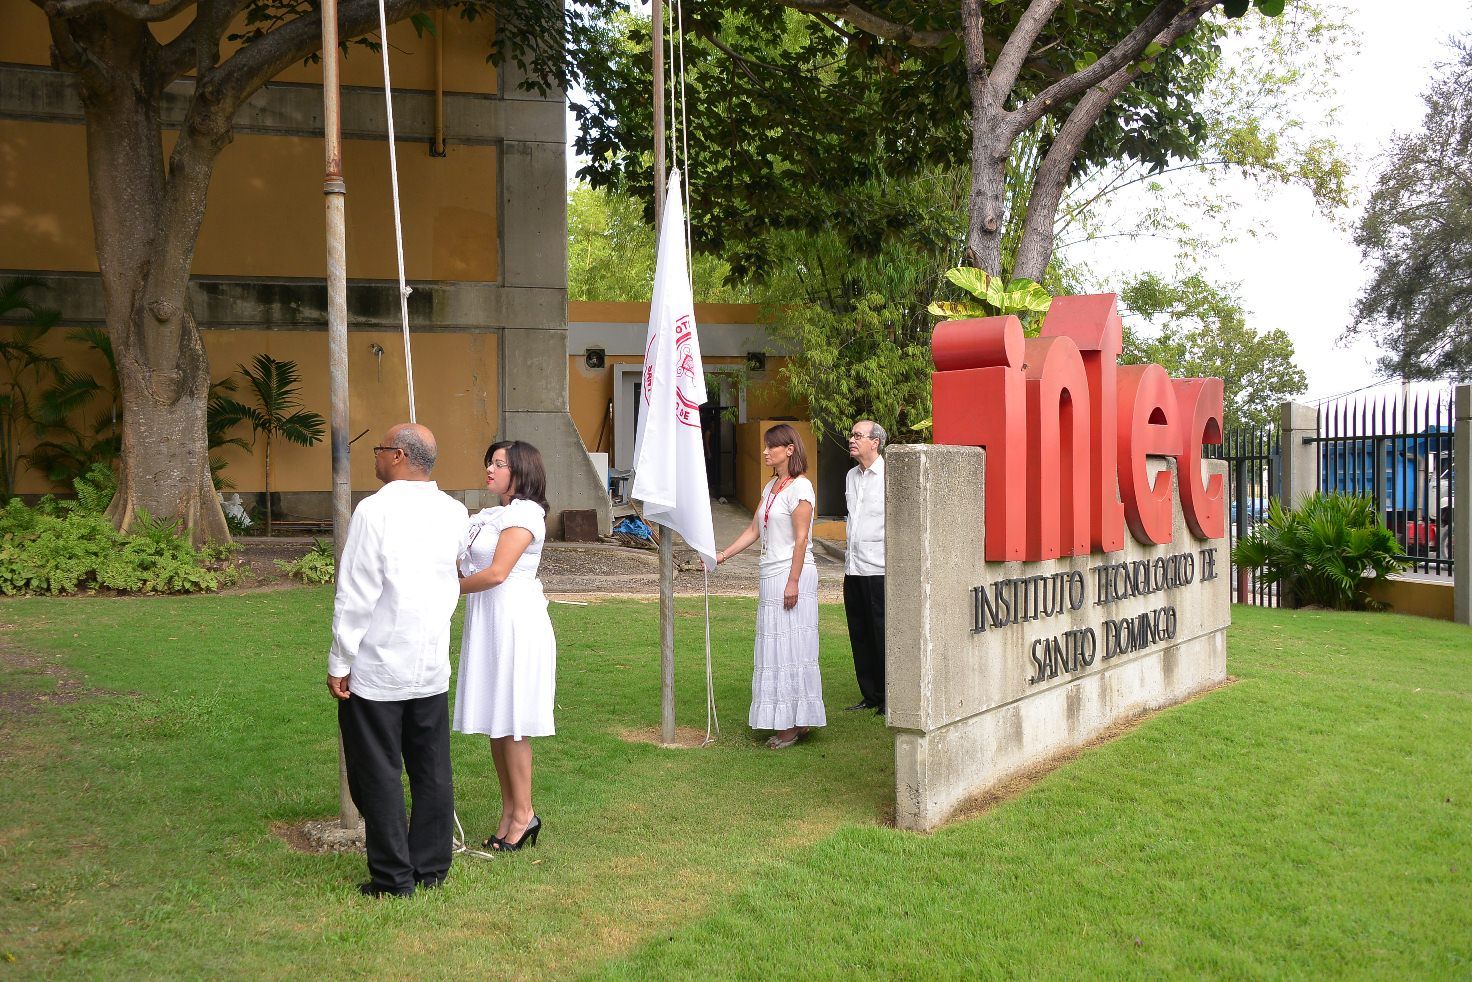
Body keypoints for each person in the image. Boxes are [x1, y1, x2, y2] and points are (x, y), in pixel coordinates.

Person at [327, 423, 469, 898]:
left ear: (401, 457)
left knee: (380, 772)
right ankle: (430, 868)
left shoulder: (374, 511)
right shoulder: (454, 511)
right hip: (429, 660)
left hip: (380, 663)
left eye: (380, 449)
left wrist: (339, 658)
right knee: (431, 770)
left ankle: (392, 878)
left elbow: (356, 592)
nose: (375, 456)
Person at [454, 440, 556, 852]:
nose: (490, 469)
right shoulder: (493, 514)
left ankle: (524, 813)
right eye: (489, 462)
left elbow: (497, 572)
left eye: (499, 464)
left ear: (521, 471)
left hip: (514, 620)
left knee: (512, 724)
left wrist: (445, 590)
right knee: (498, 725)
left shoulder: (526, 513)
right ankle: (510, 810)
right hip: (489, 621)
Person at [715, 423, 827, 748]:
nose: (765, 452)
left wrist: (792, 581)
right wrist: (722, 555)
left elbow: (802, 539)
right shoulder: (771, 487)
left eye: (771, 447)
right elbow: (754, 530)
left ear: (789, 449)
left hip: (791, 574)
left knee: (791, 647)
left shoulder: (800, 488)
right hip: (770, 572)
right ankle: (794, 719)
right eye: (765, 447)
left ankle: (792, 726)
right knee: (776, 647)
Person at [842, 420, 887, 715]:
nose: (852, 439)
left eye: (858, 435)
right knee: (859, 632)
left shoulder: (889, 475)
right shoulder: (851, 476)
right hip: (853, 567)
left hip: (879, 568)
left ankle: (889, 697)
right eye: (852, 434)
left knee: (881, 633)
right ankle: (869, 694)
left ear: (875, 442)